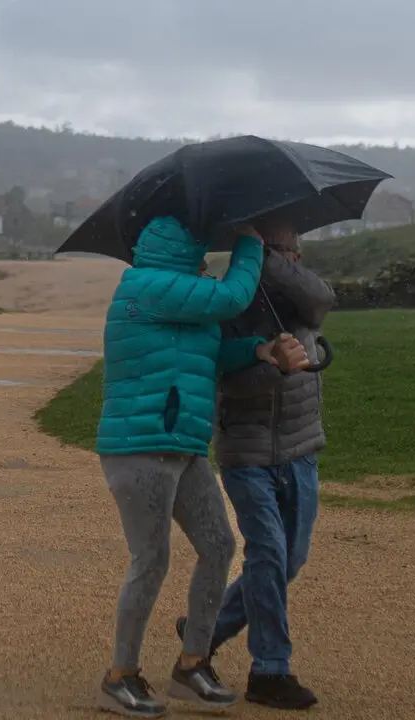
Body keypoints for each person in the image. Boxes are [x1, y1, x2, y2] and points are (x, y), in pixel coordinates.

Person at [95, 215, 310, 719]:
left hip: (180, 445)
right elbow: (231, 299)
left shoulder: (174, 294)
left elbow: (210, 349)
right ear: (177, 253)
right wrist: (250, 245)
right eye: (197, 254)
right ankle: (119, 676)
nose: (202, 263)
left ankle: (192, 662)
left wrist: (259, 349)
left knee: (219, 545)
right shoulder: (147, 285)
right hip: (139, 446)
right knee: (151, 559)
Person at [175, 218, 335, 710]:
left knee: (291, 558)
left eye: (290, 252)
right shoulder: (228, 305)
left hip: (300, 448)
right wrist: (270, 363)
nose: (296, 260)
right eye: (288, 250)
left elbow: (321, 299)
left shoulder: (299, 301)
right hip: (245, 452)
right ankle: (270, 669)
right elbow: (227, 384)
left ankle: (206, 628)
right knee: (266, 551)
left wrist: (267, 258)